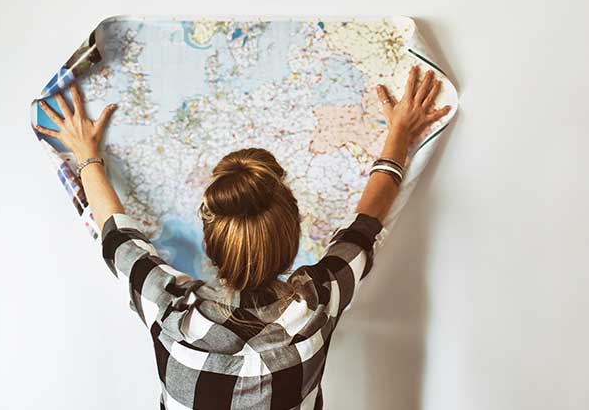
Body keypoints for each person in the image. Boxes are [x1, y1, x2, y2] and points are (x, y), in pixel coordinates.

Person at [34, 65, 450, 410]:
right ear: (290, 239)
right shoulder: (317, 304)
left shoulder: (170, 311)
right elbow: (364, 226)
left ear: (211, 242)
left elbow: (116, 238)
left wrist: (86, 153)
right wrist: (399, 134)